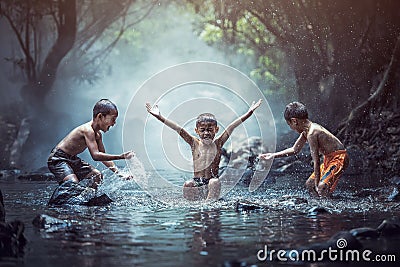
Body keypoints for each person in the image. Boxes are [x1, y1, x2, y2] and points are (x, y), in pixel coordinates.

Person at [146, 99, 262, 201]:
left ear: (216, 130)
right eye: (203, 130)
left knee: (214, 182)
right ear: (197, 131)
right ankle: (193, 207)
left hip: (211, 183)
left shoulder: (219, 142)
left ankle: (209, 204)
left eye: (210, 130)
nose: (206, 133)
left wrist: (249, 113)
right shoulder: (194, 143)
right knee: (188, 184)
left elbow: (232, 126)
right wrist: (159, 117)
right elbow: (177, 128)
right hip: (197, 181)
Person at [259, 102, 349, 197]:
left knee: (321, 186)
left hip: (339, 158)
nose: (292, 128)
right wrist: (273, 155)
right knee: (309, 184)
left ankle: (327, 208)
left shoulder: (312, 133)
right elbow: (294, 149)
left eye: (290, 125)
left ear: (294, 121)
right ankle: (318, 205)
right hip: (328, 159)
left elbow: (316, 161)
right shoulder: (306, 131)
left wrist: (317, 184)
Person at [47, 99, 134, 189]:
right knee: (72, 183)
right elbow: (96, 156)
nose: (114, 123)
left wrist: (118, 173)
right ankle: (57, 201)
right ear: (100, 116)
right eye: (113, 119)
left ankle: (87, 197)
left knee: (96, 176)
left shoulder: (98, 135)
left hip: (72, 159)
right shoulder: (88, 130)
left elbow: (102, 156)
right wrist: (121, 156)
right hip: (58, 159)